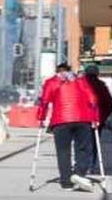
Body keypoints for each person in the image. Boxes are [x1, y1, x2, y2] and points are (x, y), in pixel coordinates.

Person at [37, 62, 101, 190]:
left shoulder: (51, 82)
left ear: (57, 71)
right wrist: (95, 118)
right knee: (83, 149)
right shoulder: (81, 81)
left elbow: (44, 101)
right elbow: (93, 99)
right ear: (70, 70)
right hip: (83, 119)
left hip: (61, 121)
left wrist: (41, 117)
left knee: (63, 151)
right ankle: (79, 174)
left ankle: (66, 181)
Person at [83, 63, 112, 130]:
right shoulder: (101, 85)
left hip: (82, 118)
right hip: (98, 117)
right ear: (97, 74)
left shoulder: (80, 84)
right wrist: (104, 116)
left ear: (85, 73)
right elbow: (109, 102)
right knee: (96, 134)